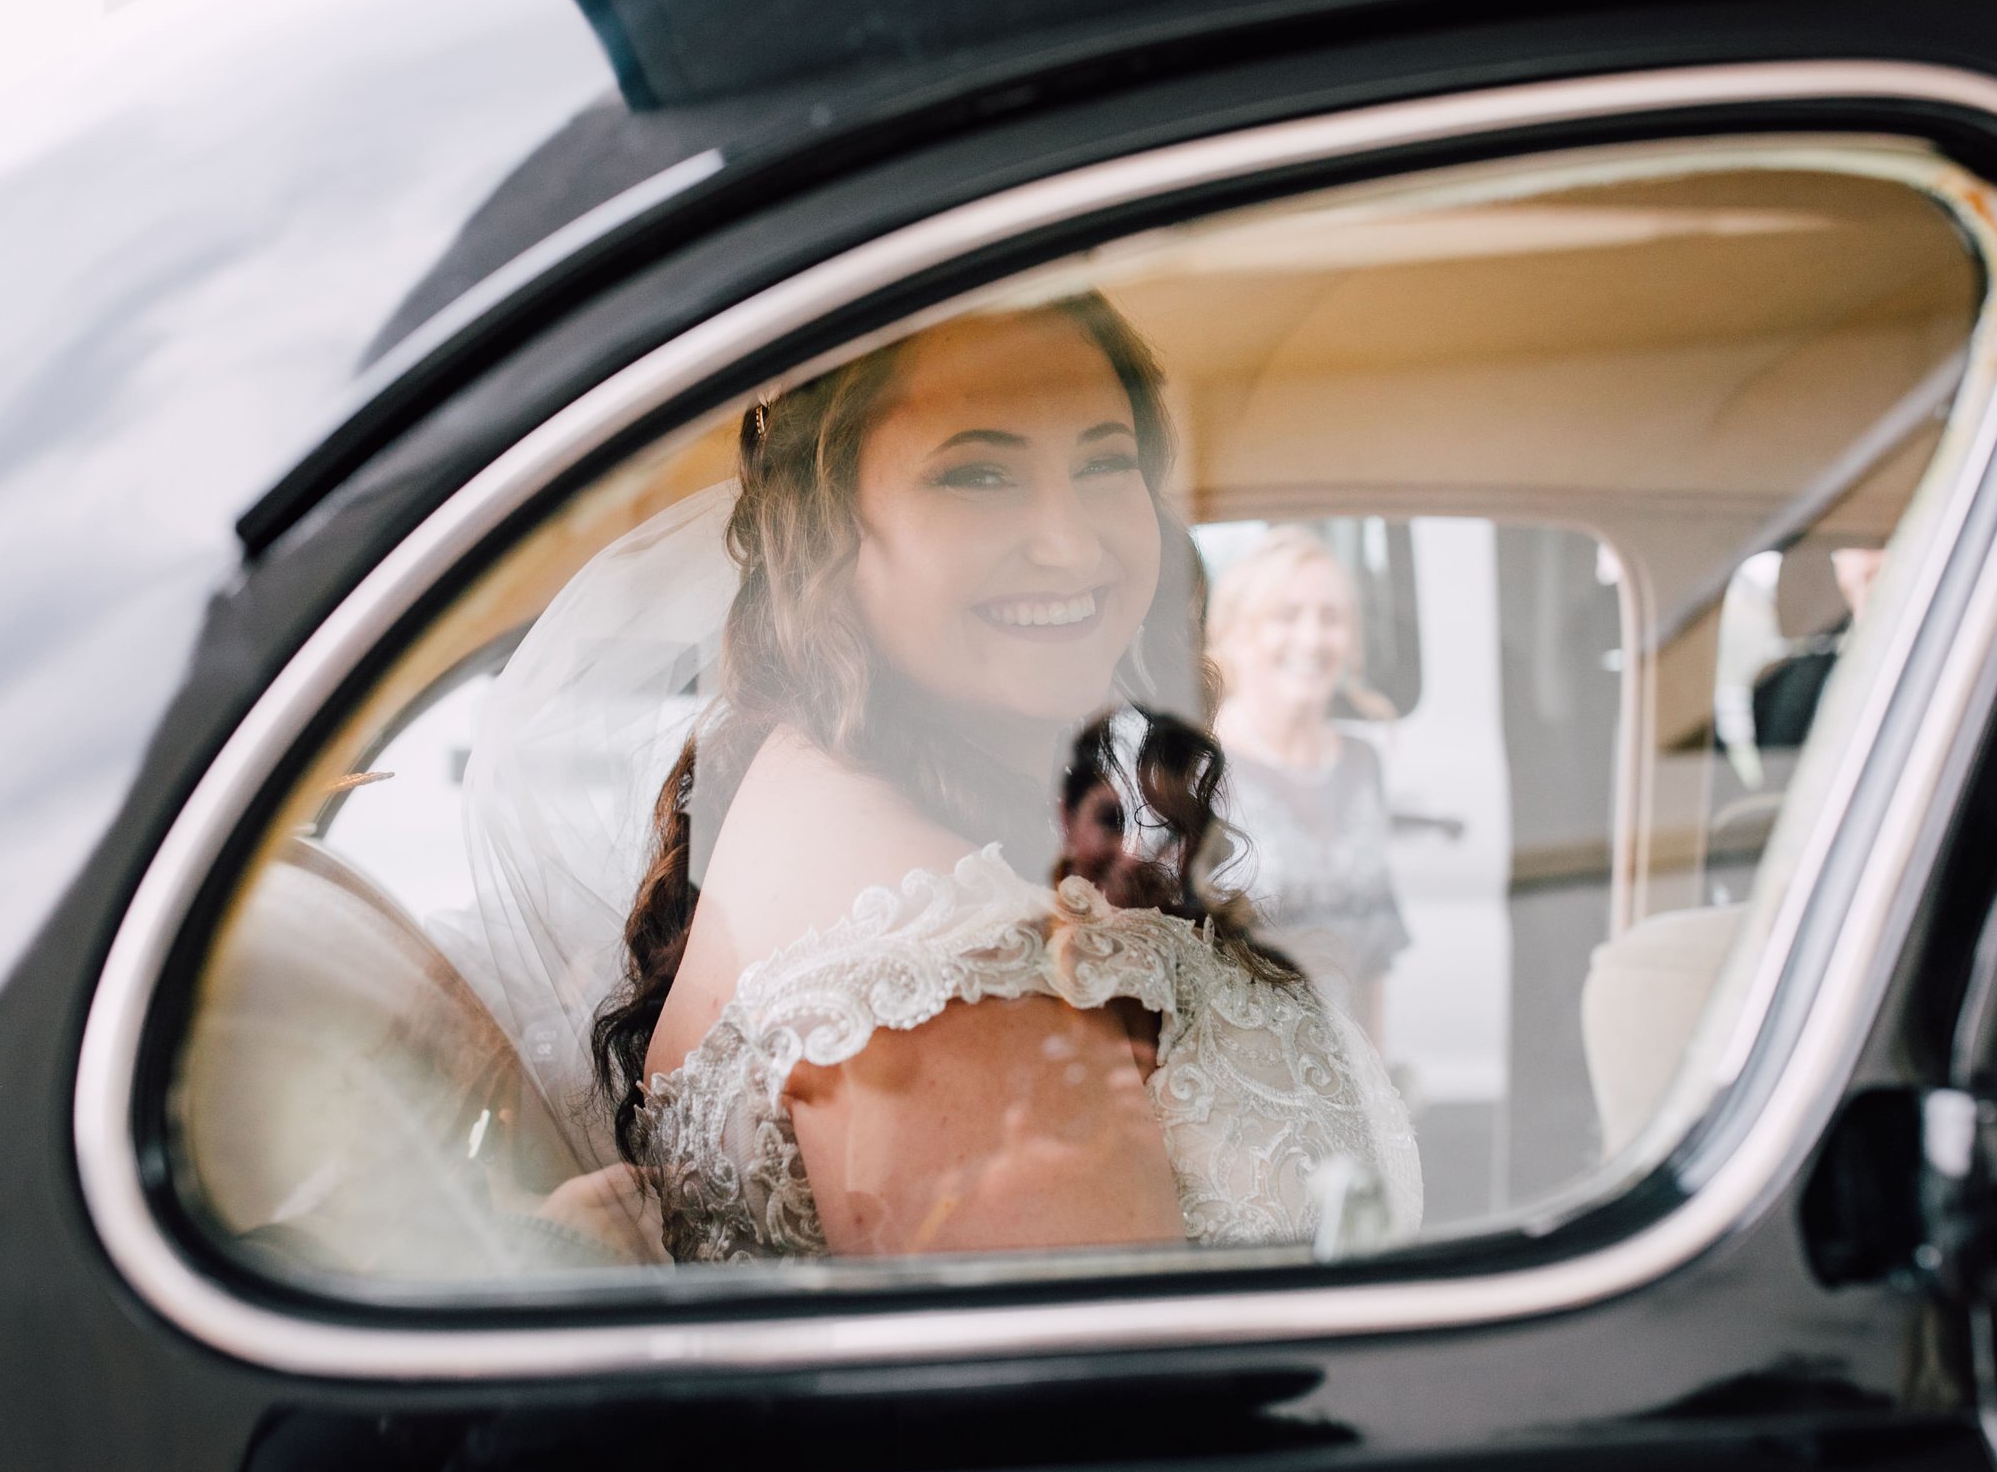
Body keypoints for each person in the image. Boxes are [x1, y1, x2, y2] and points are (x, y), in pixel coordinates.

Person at [464, 294, 1420, 1263]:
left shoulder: (817, 767)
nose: (1070, 541)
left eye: (1103, 461)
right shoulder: (953, 980)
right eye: (979, 472)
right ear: (826, 530)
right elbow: (1126, 1404)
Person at [1206, 528, 1410, 1052]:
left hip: (1349, 1069)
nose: (1312, 638)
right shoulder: (1201, 767)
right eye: (1287, 615)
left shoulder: (1362, 763)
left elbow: (1374, 961)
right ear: (1237, 632)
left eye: (1331, 618)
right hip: (1245, 1069)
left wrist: (1380, 1086)